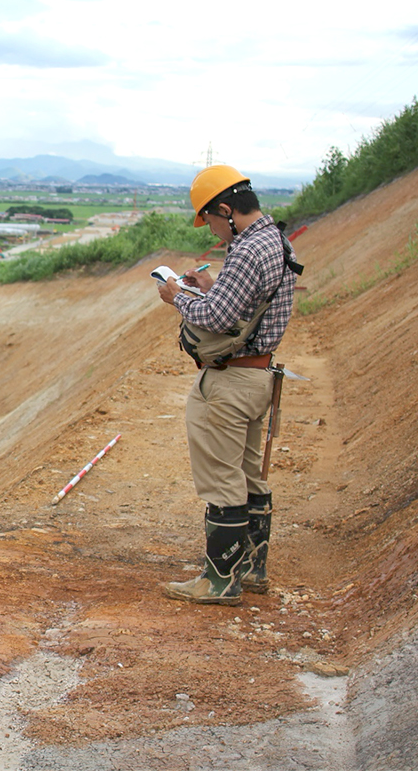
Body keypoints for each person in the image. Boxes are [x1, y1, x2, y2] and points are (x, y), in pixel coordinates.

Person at [157, 164, 302, 605]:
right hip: (260, 376)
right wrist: (212, 285)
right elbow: (244, 304)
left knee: (222, 480)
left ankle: (219, 580)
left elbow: (219, 318)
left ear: (226, 209)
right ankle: (253, 569)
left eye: (213, 221)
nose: (216, 233)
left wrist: (178, 295)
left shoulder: (244, 249)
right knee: (250, 473)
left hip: (230, 382)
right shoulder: (275, 239)